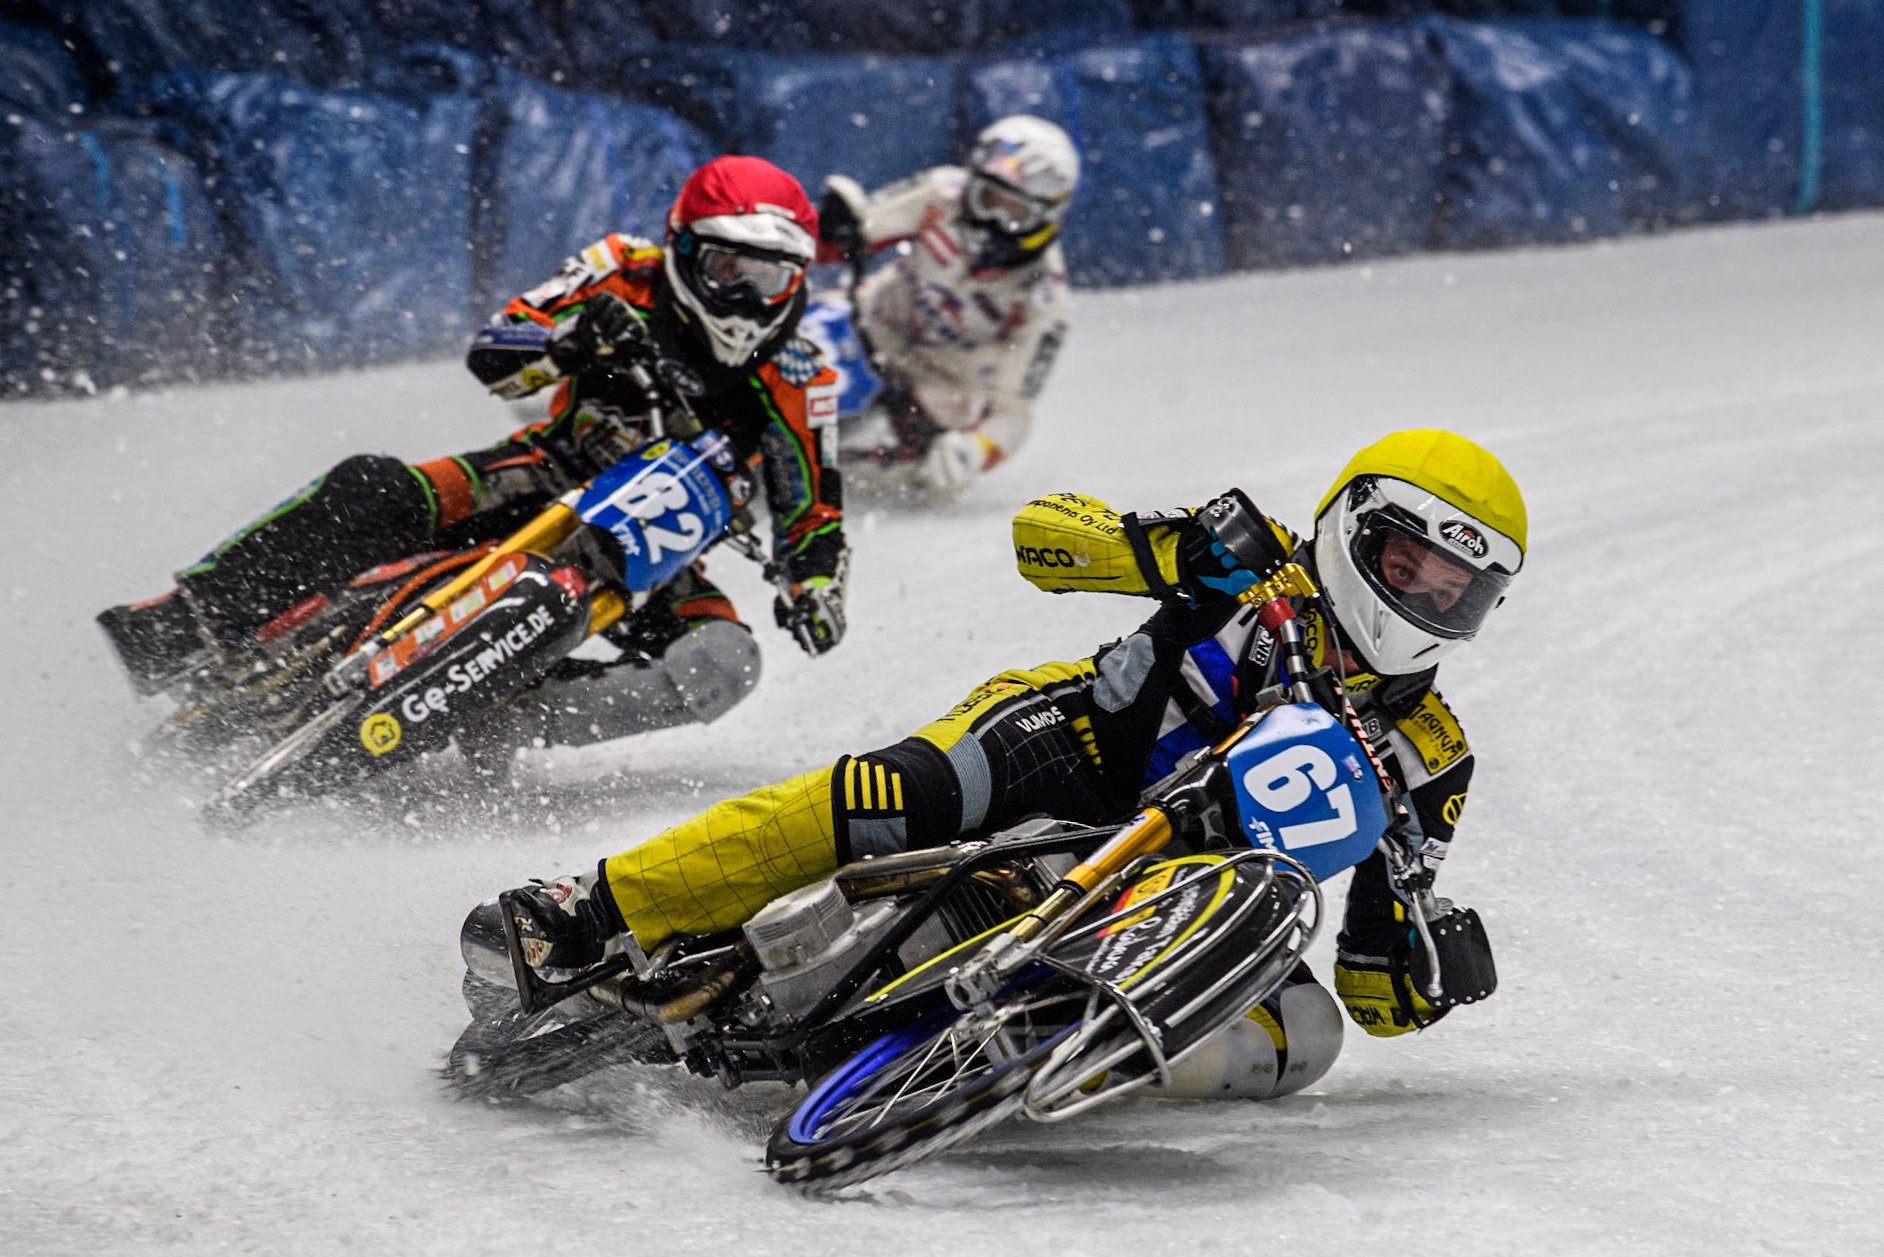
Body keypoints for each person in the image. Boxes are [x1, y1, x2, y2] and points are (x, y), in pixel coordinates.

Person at [503, 429, 1526, 1098]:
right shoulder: (1255, 564)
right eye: (1407, 569)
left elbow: (1378, 994)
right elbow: (1044, 540)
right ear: (1356, 531)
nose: (1426, 603)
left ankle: (1035, 1061)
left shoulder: (1433, 759)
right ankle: (593, 907)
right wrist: (1169, 552)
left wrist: (1431, 968)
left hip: (1180, 884)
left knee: (1303, 1034)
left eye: (1456, 593)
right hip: (1067, 742)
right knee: (890, 794)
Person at [98, 156, 849, 748]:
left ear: (799, 279)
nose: (748, 300)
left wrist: (815, 589)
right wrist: (570, 341)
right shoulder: (622, 269)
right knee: (375, 488)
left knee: (723, 663)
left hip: (657, 548)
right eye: (729, 271)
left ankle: (511, 720)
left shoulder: (799, 377)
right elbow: (494, 350)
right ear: (683, 247)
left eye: (769, 278)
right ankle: (191, 618)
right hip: (541, 471)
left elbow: (812, 509)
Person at [814, 114, 1076, 497]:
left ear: (1049, 216)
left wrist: (975, 449)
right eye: (987, 199)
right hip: (868, 324)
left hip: (937, 391)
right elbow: (848, 237)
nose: (993, 222)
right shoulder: (941, 192)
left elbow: (1013, 412)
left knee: (926, 478)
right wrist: (836, 226)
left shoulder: (1046, 301)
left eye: (1014, 212)